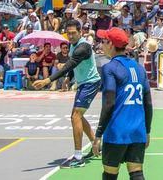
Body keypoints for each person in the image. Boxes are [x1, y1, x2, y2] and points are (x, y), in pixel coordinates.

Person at [33, 19, 102, 168]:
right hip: (83, 83)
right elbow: (73, 66)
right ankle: (96, 144)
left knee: (75, 116)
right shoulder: (72, 45)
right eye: (68, 33)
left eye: (73, 33)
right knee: (78, 116)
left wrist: (48, 80)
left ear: (80, 32)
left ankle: (78, 157)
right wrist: (68, 78)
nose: (70, 36)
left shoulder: (83, 47)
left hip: (91, 83)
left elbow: (70, 64)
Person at [92, 27, 153, 180]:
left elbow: (109, 103)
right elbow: (148, 103)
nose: (101, 45)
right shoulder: (139, 68)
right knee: (137, 173)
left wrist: (98, 135)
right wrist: (147, 131)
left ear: (111, 44)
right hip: (137, 131)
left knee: (110, 174)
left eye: (104, 42)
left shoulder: (109, 68)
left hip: (117, 132)